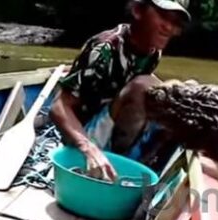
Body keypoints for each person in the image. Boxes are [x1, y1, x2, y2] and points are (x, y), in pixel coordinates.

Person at [49, 0, 190, 182]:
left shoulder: (153, 51)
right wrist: (89, 149)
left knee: (182, 92)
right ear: (138, 11)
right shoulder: (105, 49)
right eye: (163, 16)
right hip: (85, 135)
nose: (169, 28)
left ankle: (142, 165)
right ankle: (119, 167)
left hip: (116, 123)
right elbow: (58, 107)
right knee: (143, 86)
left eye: (175, 23)